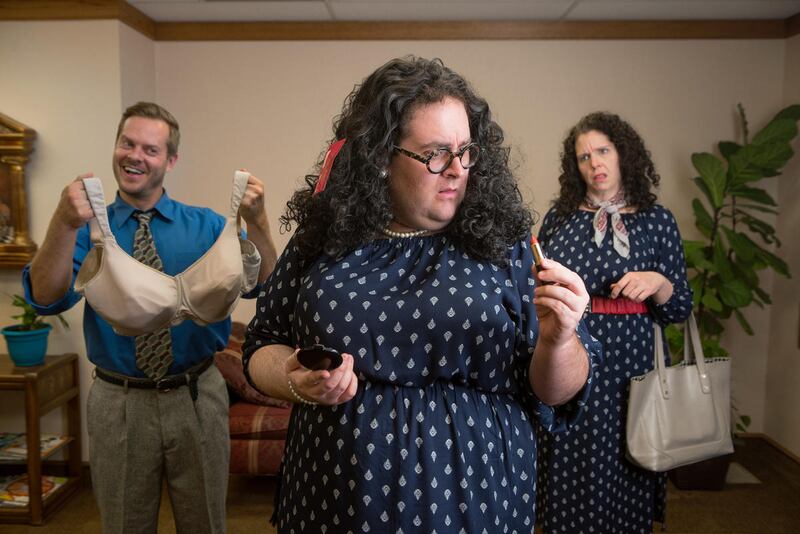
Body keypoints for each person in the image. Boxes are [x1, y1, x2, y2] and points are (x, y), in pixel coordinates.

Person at [241, 56, 602, 532]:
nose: (457, 169)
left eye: (466, 151)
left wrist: (559, 340)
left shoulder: (506, 245)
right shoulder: (322, 239)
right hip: (334, 497)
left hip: (478, 499)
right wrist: (292, 379)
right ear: (381, 157)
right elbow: (261, 343)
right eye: (435, 153)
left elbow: (557, 391)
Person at [23, 101, 279, 534]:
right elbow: (45, 299)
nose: (135, 155)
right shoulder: (88, 229)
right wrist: (63, 224)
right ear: (116, 146)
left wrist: (258, 224)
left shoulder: (207, 228)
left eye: (150, 148)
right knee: (125, 526)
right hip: (119, 401)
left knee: (205, 526)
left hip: (198, 395)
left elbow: (266, 287)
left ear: (170, 159)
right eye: (127, 143)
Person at [535, 111, 693, 533]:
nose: (594, 162)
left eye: (602, 150)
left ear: (624, 153)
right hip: (572, 350)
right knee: (569, 456)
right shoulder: (559, 219)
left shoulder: (658, 221)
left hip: (632, 363)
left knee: (629, 457)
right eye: (583, 156)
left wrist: (659, 282)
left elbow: (679, 309)